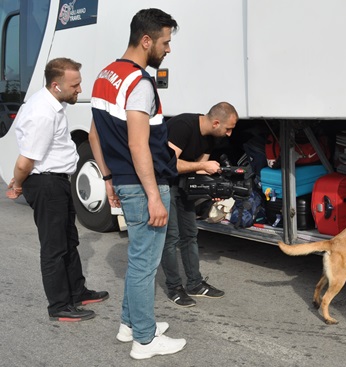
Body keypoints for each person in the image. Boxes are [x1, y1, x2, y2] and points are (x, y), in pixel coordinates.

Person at [88, 8, 186, 360]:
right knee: (146, 263)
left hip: (125, 180)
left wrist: (108, 176)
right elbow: (138, 143)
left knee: (137, 259)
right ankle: (144, 340)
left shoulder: (105, 76)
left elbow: (94, 133)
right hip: (146, 184)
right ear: (147, 41)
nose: (168, 49)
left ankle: (130, 323)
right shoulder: (140, 82)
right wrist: (153, 197)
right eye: (165, 42)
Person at [5, 58, 108, 322]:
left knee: (69, 241)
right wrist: (16, 184)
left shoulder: (53, 104)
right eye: (75, 85)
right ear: (55, 85)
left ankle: (77, 292)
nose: (79, 90)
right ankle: (59, 306)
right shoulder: (43, 112)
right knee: (54, 248)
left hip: (58, 181)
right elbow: (25, 161)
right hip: (46, 184)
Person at [161, 102, 238, 307]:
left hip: (184, 185)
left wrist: (214, 187)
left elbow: (197, 170)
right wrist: (203, 165)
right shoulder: (183, 126)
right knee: (171, 238)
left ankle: (195, 284)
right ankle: (174, 287)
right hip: (163, 184)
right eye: (228, 128)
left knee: (190, 234)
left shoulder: (211, 138)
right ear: (215, 122)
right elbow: (169, 164)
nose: (229, 134)